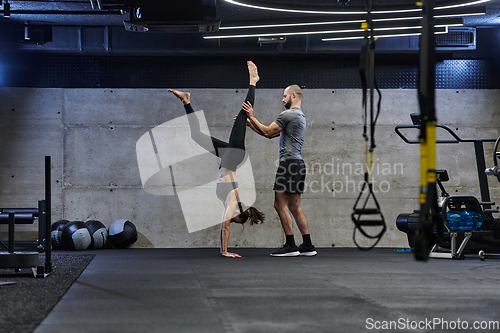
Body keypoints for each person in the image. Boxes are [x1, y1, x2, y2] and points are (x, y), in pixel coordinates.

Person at [168, 61, 265, 258]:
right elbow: (224, 228)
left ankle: (186, 101)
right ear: (238, 214)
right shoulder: (232, 203)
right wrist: (225, 251)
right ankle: (253, 81)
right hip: (233, 156)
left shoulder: (231, 200)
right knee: (243, 115)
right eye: (235, 219)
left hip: (228, 157)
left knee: (197, 136)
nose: (231, 219)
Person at [242, 84, 316, 257]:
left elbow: (267, 131)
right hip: (297, 164)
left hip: (288, 164)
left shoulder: (288, 114)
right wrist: (251, 124)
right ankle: (308, 245)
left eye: (284, 96)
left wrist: (252, 116)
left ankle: (291, 246)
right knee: (294, 206)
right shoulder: (300, 116)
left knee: (279, 204)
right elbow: (270, 134)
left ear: (294, 96)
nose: (282, 99)